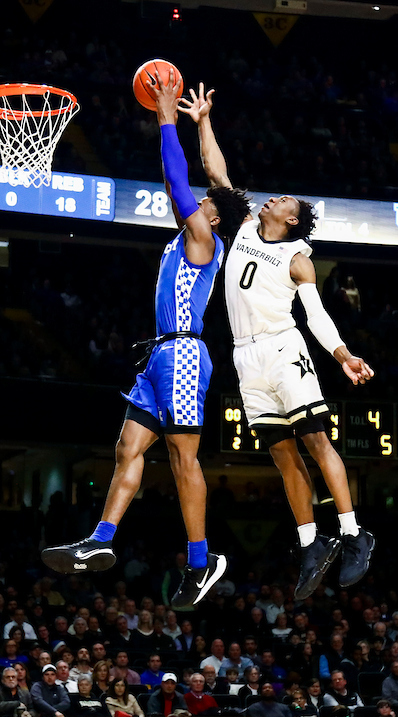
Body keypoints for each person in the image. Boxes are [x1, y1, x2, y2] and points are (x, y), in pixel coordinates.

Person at [41, 72, 250, 609]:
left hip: (183, 353)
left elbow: (179, 184)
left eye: (207, 202)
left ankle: (202, 562)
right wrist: (203, 122)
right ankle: (100, 540)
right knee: (126, 448)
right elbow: (217, 178)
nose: (200, 200)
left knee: (183, 460)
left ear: (213, 217)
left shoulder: (204, 237)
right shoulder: (207, 224)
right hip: (160, 355)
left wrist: (164, 119)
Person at [180, 84, 375, 600]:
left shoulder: (298, 257)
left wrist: (342, 356)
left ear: (290, 219)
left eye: (284, 200)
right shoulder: (242, 225)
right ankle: (312, 542)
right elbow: (216, 172)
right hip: (246, 357)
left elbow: (316, 315)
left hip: (285, 349)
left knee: (315, 442)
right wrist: (202, 120)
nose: (274, 196)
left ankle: (356, 535)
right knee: (282, 454)